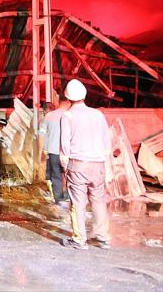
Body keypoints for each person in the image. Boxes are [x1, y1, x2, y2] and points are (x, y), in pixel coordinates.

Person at [60, 79, 112, 250]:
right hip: (98, 165)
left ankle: (79, 239)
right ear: (84, 95)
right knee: (99, 200)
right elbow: (106, 142)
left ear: (67, 97)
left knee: (78, 202)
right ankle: (103, 237)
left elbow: (65, 146)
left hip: (78, 165)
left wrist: (64, 166)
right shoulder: (98, 114)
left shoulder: (67, 116)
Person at [40, 95, 71, 206]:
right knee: (70, 176)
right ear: (68, 102)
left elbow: (41, 135)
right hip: (68, 152)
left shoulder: (49, 116)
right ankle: (70, 198)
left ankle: (59, 201)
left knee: (56, 176)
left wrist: (42, 151)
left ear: (58, 101)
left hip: (53, 152)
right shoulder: (71, 115)